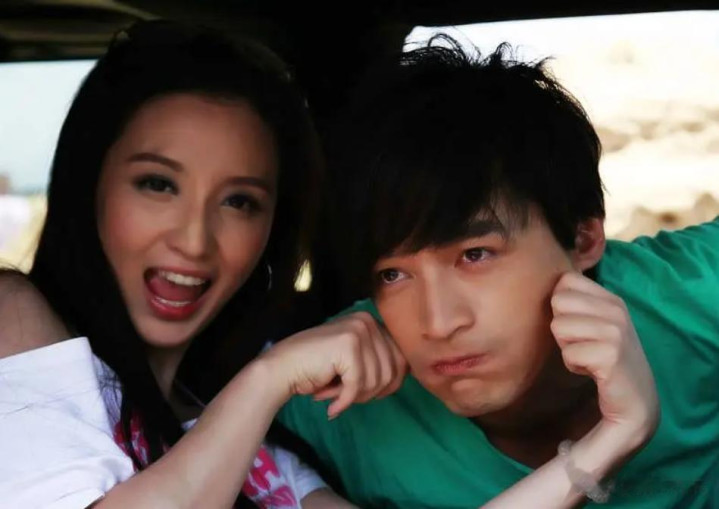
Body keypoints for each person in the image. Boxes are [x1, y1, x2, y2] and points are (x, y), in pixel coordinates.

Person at [279, 38, 719, 508]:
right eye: (392, 275)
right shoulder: (329, 398)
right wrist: (269, 377)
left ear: (584, 239)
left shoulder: (692, 294)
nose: (439, 324)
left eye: (475, 255)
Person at [0, 20, 410, 509]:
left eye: (239, 201)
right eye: (158, 185)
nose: (194, 242)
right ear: (89, 187)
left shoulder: (243, 429)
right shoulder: (13, 316)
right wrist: (269, 378)